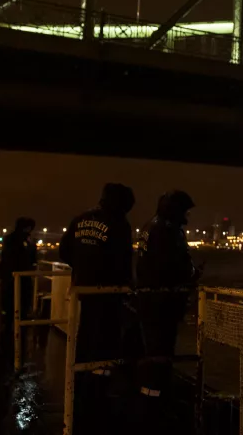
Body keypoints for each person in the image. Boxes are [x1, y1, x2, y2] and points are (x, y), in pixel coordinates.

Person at [59, 183, 135, 434]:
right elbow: (123, 260)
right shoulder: (119, 224)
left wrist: (83, 267)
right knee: (107, 333)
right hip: (108, 290)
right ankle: (99, 381)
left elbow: (64, 251)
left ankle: (81, 374)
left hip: (83, 287)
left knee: (86, 328)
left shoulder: (80, 218)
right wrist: (124, 286)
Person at [133, 190, 197, 428]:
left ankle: (148, 400)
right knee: (161, 354)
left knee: (153, 352)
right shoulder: (169, 231)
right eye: (186, 210)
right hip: (163, 302)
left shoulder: (150, 226)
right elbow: (175, 266)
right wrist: (191, 276)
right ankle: (154, 408)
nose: (188, 215)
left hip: (148, 299)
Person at [0, 217, 37, 329]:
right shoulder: (25, 241)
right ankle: (16, 324)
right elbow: (28, 258)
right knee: (18, 301)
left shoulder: (11, 239)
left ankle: (10, 324)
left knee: (10, 302)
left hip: (11, 277)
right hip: (18, 276)